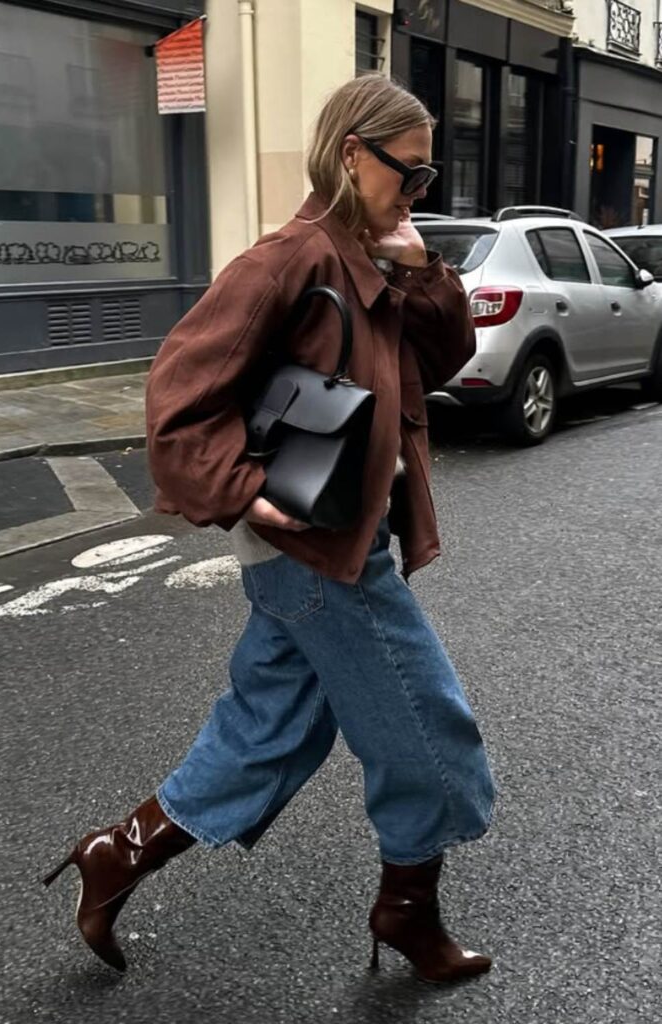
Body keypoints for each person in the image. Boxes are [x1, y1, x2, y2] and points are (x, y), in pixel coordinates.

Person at [43, 73, 496, 984]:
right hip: (318, 550)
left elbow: (444, 357)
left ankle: (116, 854)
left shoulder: (370, 257)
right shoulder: (286, 261)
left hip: (338, 537)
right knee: (429, 737)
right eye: (405, 175)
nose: (416, 194)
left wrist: (423, 268)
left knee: (269, 731)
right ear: (347, 155)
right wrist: (246, 491)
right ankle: (407, 914)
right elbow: (176, 404)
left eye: (425, 178)